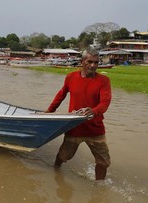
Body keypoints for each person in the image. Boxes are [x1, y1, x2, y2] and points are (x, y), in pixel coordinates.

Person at [45, 47, 112, 180]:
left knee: (103, 161)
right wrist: (49, 111)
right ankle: (56, 173)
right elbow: (61, 95)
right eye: (90, 62)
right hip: (74, 128)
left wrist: (93, 111)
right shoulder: (71, 77)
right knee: (64, 156)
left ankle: (99, 188)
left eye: (96, 63)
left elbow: (105, 103)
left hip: (95, 129)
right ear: (82, 62)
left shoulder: (104, 80)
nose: (93, 66)